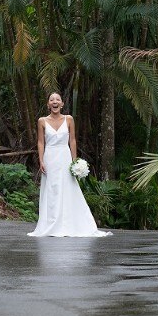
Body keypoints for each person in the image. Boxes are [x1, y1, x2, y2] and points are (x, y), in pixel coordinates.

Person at [28, 92, 111, 237]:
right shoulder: (42, 121)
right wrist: (41, 160)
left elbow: (72, 140)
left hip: (65, 156)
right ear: (48, 104)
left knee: (68, 187)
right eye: (52, 100)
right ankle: (51, 224)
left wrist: (75, 161)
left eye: (57, 99)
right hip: (50, 157)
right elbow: (41, 142)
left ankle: (69, 223)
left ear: (62, 104)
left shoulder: (69, 119)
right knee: (52, 189)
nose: (55, 102)